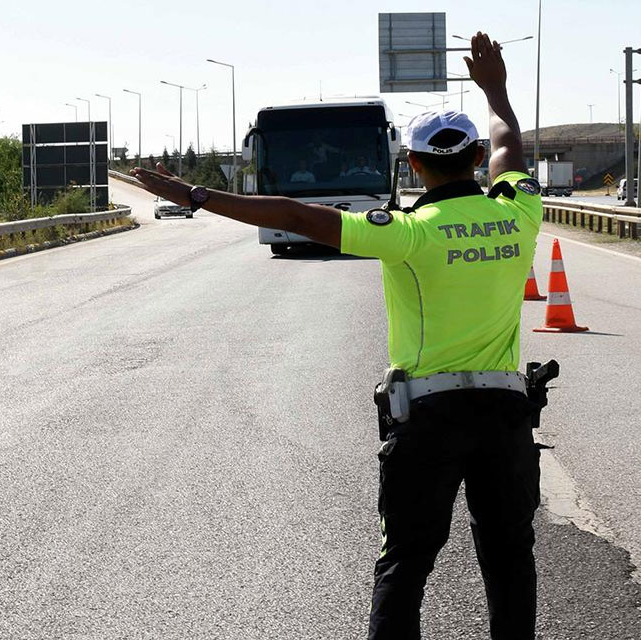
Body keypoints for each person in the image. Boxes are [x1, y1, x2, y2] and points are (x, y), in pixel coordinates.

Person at [130, 32, 543, 639]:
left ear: (413, 164)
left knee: (406, 563)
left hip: (428, 420)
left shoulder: (407, 231)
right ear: (475, 159)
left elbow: (294, 216)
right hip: (506, 415)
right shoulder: (519, 212)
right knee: (510, 559)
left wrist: (193, 195)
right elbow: (510, 144)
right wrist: (497, 92)